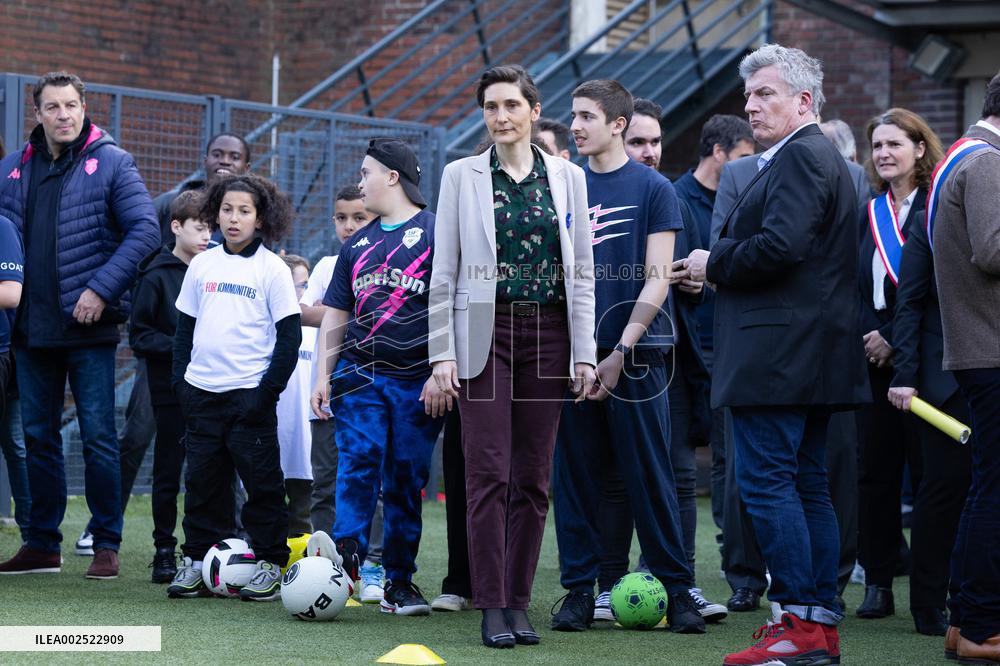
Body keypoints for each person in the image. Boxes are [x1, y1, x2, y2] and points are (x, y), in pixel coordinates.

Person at [685, 44, 868, 665]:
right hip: (806, 353)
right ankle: (814, 625)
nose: (751, 104)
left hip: (778, 355)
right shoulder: (820, 157)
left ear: (803, 101)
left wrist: (715, 263)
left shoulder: (801, 155)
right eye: (749, 95)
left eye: (765, 93)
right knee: (806, 484)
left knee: (768, 484)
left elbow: (780, 245)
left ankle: (797, 623)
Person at [428, 64, 597, 648]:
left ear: (532, 109)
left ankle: (519, 604)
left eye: (510, 106)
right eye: (491, 107)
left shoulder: (569, 178)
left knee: (532, 476)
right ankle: (491, 603)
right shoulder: (461, 175)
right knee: (488, 473)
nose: (500, 116)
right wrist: (441, 354)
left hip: (550, 336)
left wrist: (584, 353)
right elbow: (443, 270)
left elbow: (581, 272)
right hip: (483, 334)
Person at [550, 78, 705, 637]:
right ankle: (577, 591)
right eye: (573, 115)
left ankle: (678, 588)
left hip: (638, 358)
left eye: (587, 116)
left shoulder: (655, 188)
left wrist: (618, 351)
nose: (575, 125)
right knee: (575, 479)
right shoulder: (561, 187)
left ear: (618, 124)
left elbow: (658, 278)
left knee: (651, 476)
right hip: (571, 358)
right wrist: (577, 355)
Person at [0, 71, 159, 580]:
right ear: (39, 113)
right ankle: (42, 543)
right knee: (37, 436)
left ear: (84, 107)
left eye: (71, 105)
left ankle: (106, 541)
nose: (63, 114)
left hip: (89, 330)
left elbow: (145, 230)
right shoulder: (12, 170)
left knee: (97, 437)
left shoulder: (113, 162)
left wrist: (100, 289)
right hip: (30, 331)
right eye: (53, 107)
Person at [588, 98, 726, 625]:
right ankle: (607, 584)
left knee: (675, 474)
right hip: (612, 347)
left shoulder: (667, 196)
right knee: (615, 475)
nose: (648, 152)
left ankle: (677, 583)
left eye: (656, 142)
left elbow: (688, 279)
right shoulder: (592, 189)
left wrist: (695, 280)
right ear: (620, 136)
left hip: (672, 353)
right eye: (638, 141)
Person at [309, 138, 442, 616]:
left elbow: (454, 305)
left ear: (392, 177)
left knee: (405, 478)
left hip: (416, 381)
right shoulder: (357, 244)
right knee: (357, 465)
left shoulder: (437, 231)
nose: (360, 180)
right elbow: (336, 313)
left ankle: (400, 581)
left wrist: (442, 371)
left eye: (367, 172)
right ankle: (342, 567)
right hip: (358, 376)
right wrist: (323, 375)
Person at [166, 174, 300, 601]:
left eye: (244, 211)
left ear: (261, 218)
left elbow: (289, 339)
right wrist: (181, 384)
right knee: (202, 484)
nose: (234, 218)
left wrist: (265, 395)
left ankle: (271, 563)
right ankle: (195, 560)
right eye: (227, 209)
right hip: (201, 395)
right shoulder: (202, 264)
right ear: (215, 213)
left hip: (249, 398)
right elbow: (184, 331)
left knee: (262, 486)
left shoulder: (273, 270)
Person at [853, 108, 945, 629]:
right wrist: (872, 338)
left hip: (923, 362)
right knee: (875, 475)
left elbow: (933, 290)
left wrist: (895, 339)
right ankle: (880, 581)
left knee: (930, 474)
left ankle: (936, 587)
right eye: (878, 145)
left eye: (895, 144)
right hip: (872, 362)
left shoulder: (936, 207)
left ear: (918, 148)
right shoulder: (870, 212)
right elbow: (854, 285)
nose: (884, 153)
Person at [883, 121, 972, 638]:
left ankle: (969, 598)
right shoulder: (928, 216)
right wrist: (907, 378)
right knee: (941, 495)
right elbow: (909, 303)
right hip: (940, 383)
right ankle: (926, 604)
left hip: (982, 375)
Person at [929, 72, 1000, 664]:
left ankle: (966, 621)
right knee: (994, 492)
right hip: (993, 349)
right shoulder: (988, 162)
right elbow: (994, 249)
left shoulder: (960, 155)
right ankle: (980, 627)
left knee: (985, 489)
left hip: (976, 349)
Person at [298, 185, 386, 603]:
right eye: (341, 218)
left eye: (358, 217)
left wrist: (337, 312)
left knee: (373, 479)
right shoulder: (329, 264)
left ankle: (372, 564)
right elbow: (306, 311)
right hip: (329, 387)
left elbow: (380, 313)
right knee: (325, 480)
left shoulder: (385, 255)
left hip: (370, 386)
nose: (349, 226)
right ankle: (326, 564)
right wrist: (349, 311)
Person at [671, 112, 753, 547]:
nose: (749, 164)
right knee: (687, 454)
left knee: (729, 452)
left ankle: (730, 543)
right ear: (718, 153)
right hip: (688, 343)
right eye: (742, 155)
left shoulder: (744, 198)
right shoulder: (676, 198)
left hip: (729, 344)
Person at [129, 190, 211, 583]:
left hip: (213, 388)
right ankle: (164, 550)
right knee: (167, 471)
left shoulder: (216, 270)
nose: (206, 234)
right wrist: (184, 348)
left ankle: (210, 549)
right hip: (170, 391)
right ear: (176, 227)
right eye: (199, 226)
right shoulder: (156, 275)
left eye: (210, 226)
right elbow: (140, 336)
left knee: (211, 470)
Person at [153, 133, 251, 244]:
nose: (225, 161)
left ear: (246, 168)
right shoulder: (168, 204)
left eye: (234, 157)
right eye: (217, 155)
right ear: (205, 162)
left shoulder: (255, 215)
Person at [278, 254, 314, 538]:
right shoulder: (269, 326)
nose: (303, 292)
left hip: (308, 446)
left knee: (303, 521)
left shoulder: (319, 327)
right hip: (271, 443)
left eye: (305, 284)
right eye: (298, 285)